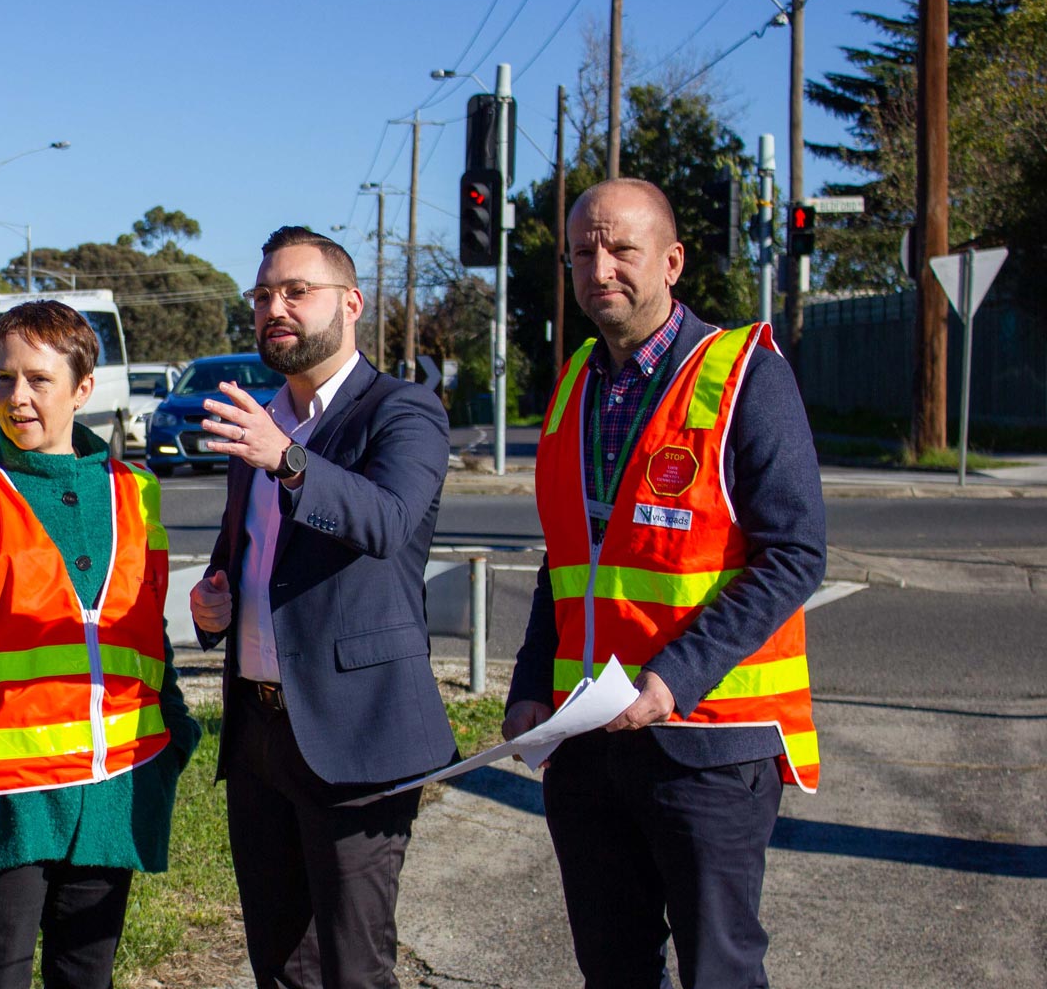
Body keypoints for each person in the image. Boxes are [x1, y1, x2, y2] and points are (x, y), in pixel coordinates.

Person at [504, 177, 825, 988]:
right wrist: (529, 686)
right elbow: (568, 558)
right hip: (586, 741)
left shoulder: (744, 372)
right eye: (582, 252)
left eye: (621, 249)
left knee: (717, 970)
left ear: (672, 261)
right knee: (612, 970)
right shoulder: (576, 377)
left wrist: (671, 680)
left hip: (707, 745)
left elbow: (794, 555)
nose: (598, 268)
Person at [0, 299, 200, 989]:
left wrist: (174, 737)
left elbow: (151, 639)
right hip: (3, 794)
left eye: (38, 380)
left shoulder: (137, 492)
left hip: (113, 786)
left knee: (85, 975)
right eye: (4, 379)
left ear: (83, 388)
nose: (17, 397)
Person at [187, 226, 455, 989]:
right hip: (261, 736)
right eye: (265, 294)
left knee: (354, 965)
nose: (277, 307)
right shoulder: (264, 415)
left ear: (351, 302)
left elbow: (387, 521)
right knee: (279, 964)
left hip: (356, 733)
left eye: (297, 291)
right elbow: (243, 553)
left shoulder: (401, 411)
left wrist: (287, 457)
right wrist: (215, 601)